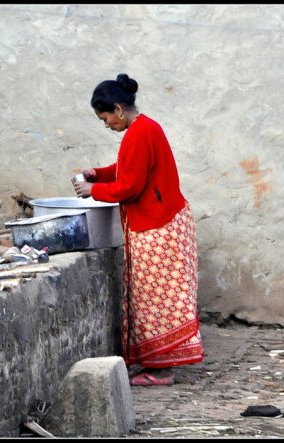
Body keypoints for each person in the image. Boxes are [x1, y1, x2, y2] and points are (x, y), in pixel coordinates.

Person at [73, 73, 204, 385]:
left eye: (105, 118)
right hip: (161, 224)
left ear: (118, 109)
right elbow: (125, 169)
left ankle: (160, 370)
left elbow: (130, 185)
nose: (106, 124)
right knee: (158, 299)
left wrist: (93, 190)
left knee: (155, 300)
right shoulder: (143, 129)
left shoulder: (140, 133)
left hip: (157, 229)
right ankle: (157, 364)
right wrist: (95, 174)